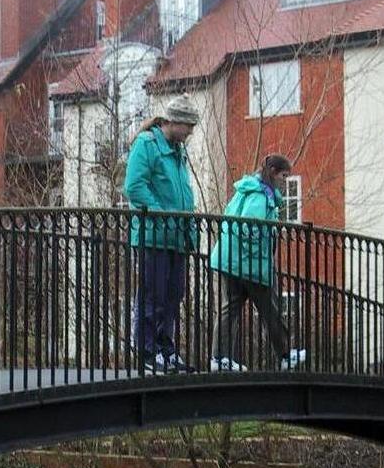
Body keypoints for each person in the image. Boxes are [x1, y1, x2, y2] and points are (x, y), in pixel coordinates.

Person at [124, 94, 199, 374]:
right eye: (189, 125)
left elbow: (182, 193)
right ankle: (146, 350)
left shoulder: (179, 150)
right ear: (175, 121)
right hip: (153, 235)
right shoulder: (148, 144)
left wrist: (187, 227)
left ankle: (166, 350)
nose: (191, 131)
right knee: (152, 294)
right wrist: (160, 214)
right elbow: (134, 187)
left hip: (176, 237)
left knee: (173, 295)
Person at [208, 154, 305, 372]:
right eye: (283, 175)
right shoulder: (260, 196)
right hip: (248, 264)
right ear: (272, 172)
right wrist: (257, 261)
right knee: (270, 309)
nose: (285, 180)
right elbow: (248, 228)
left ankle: (219, 358)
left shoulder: (248, 189)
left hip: (230, 259)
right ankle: (285, 355)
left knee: (229, 308)